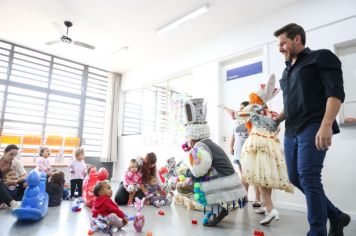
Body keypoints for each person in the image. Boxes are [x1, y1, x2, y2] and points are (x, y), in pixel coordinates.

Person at [273, 23, 350, 236]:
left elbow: (335, 93)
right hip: (292, 131)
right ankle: (337, 216)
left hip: (314, 124)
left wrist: (326, 125)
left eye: (283, 43)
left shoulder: (321, 57)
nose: (280, 48)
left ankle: (316, 231)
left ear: (297, 39)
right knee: (296, 178)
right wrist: (276, 120)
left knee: (308, 176)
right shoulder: (286, 72)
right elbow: (290, 104)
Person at [235, 75, 294, 225]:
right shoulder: (270, 113)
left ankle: (271, 208)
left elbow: (238, 114)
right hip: (270, 145)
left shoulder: (253, 109)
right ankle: (267, 207)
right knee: (265, 176)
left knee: (259, 177)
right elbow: (276, 126)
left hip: (256, 144)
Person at [183, 98, 246, 227]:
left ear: (193, 136)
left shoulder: (199, 147)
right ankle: (215, 211)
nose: (187, 141)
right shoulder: (207, 143)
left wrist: (190, 174)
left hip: (223, 177)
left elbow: (200, 168)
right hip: (226, 175)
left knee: (199, 189)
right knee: (198, 183)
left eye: (188, 137)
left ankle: (218, 211)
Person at [224, 102, 262, 208]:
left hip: (250, 152)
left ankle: (257, 199)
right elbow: (233, 135)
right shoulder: (236, 121)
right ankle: (244, 197)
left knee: (253, 176)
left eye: (243, 109)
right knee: (244, 176)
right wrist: (231, 146)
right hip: (239, 152)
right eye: (239, 109)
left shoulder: (253, 120)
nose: (240, 111)